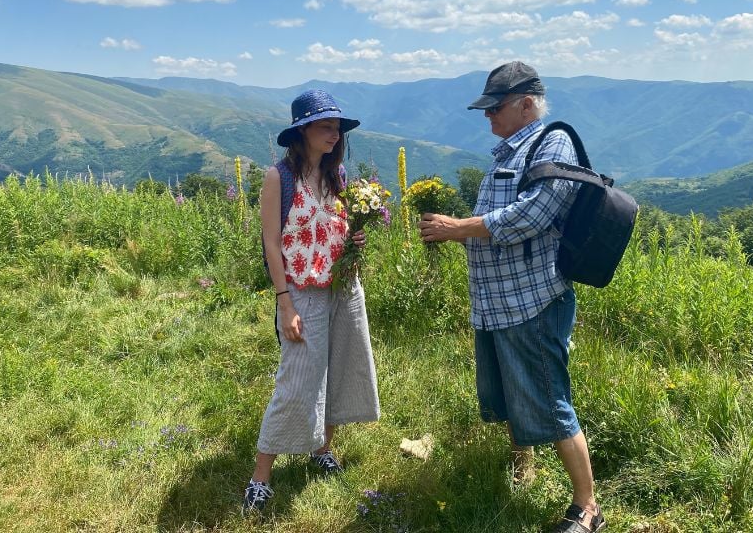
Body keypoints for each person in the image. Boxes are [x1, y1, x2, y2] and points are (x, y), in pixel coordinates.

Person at [418, 62, 606, 533]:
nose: (488, 117)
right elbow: (499, 220)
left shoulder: (552, 143)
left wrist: (459, 228)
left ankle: (588, 508)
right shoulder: (511, 149)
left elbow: (535, 214)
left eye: (495, 108)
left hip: (533, 300)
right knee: (507, 388)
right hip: (498, 300)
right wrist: (455, 231)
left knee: (549, 397)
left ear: (526, 105)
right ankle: (524, 467)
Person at [242, 89, 381, 515]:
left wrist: (354, 235)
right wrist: (285, 302)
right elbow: (271, 245)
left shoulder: (336, 178)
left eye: (337, 127)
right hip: (302, 290)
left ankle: (322, 447)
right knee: (298, 377)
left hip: (343, 286)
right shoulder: (278, 178)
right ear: (302, 131)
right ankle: (260, 477)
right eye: (325, 126)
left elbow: (334, 228)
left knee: (342, 366)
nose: (334, 134)